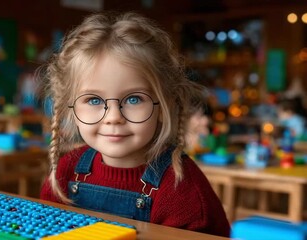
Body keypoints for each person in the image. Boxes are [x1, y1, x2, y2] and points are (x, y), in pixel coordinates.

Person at [38, 12, 230, 237]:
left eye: (133, 99)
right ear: (70, 106)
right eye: (94, 100)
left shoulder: (182, 191)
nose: (113, 117)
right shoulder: (66, 170)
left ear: (164, 105)